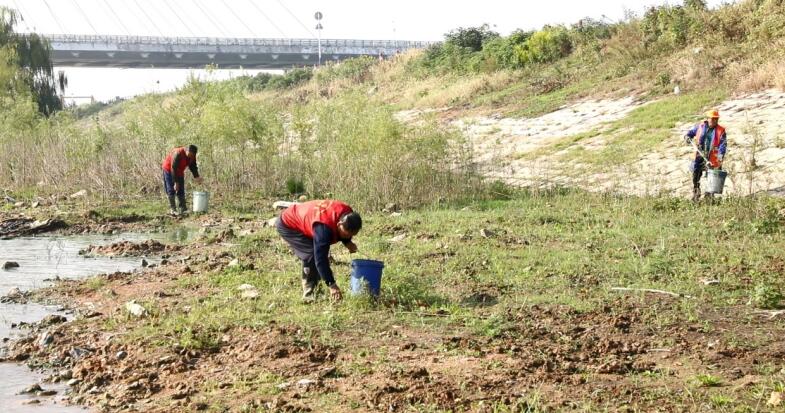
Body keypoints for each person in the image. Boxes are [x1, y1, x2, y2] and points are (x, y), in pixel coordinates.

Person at [276, 200, 362, 302]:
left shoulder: (348, 213)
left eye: (351, 235)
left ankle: (317, 289)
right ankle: (309, 294)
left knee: (316, 251)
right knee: (311, 254)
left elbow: (345, 231)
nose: (349, 236)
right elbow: (320, 259)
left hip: (308, 219)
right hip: (288, 223)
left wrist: (347, 242)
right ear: (339, 224)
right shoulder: (324, 229)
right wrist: (332, 284)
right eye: (346, 235)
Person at [684, 109, 727, 201]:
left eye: (716, 119)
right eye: (712, 119)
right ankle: (696, 193)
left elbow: (723, 146)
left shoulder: (721, 131)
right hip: (699, 155)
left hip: (713, 158)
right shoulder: (700, 126)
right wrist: (687, 136)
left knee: (712, 178)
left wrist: (719, 159)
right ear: (708, 119)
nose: (714, 121)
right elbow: (690, 133)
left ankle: (709, 197)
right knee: (696, 175)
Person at [162, 145, 202, 215]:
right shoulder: (178, 153)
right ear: (186, 151)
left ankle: (183, 209)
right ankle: (173, 209)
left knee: (181, 189)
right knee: (171, 189)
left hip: (180, 170)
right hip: (169, 170)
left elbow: (193, 166)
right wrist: (176, 182)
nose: (190, 157)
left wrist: (196, 176)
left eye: (192, 155)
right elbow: (173, 168)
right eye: (189, 155)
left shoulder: (192, 155)